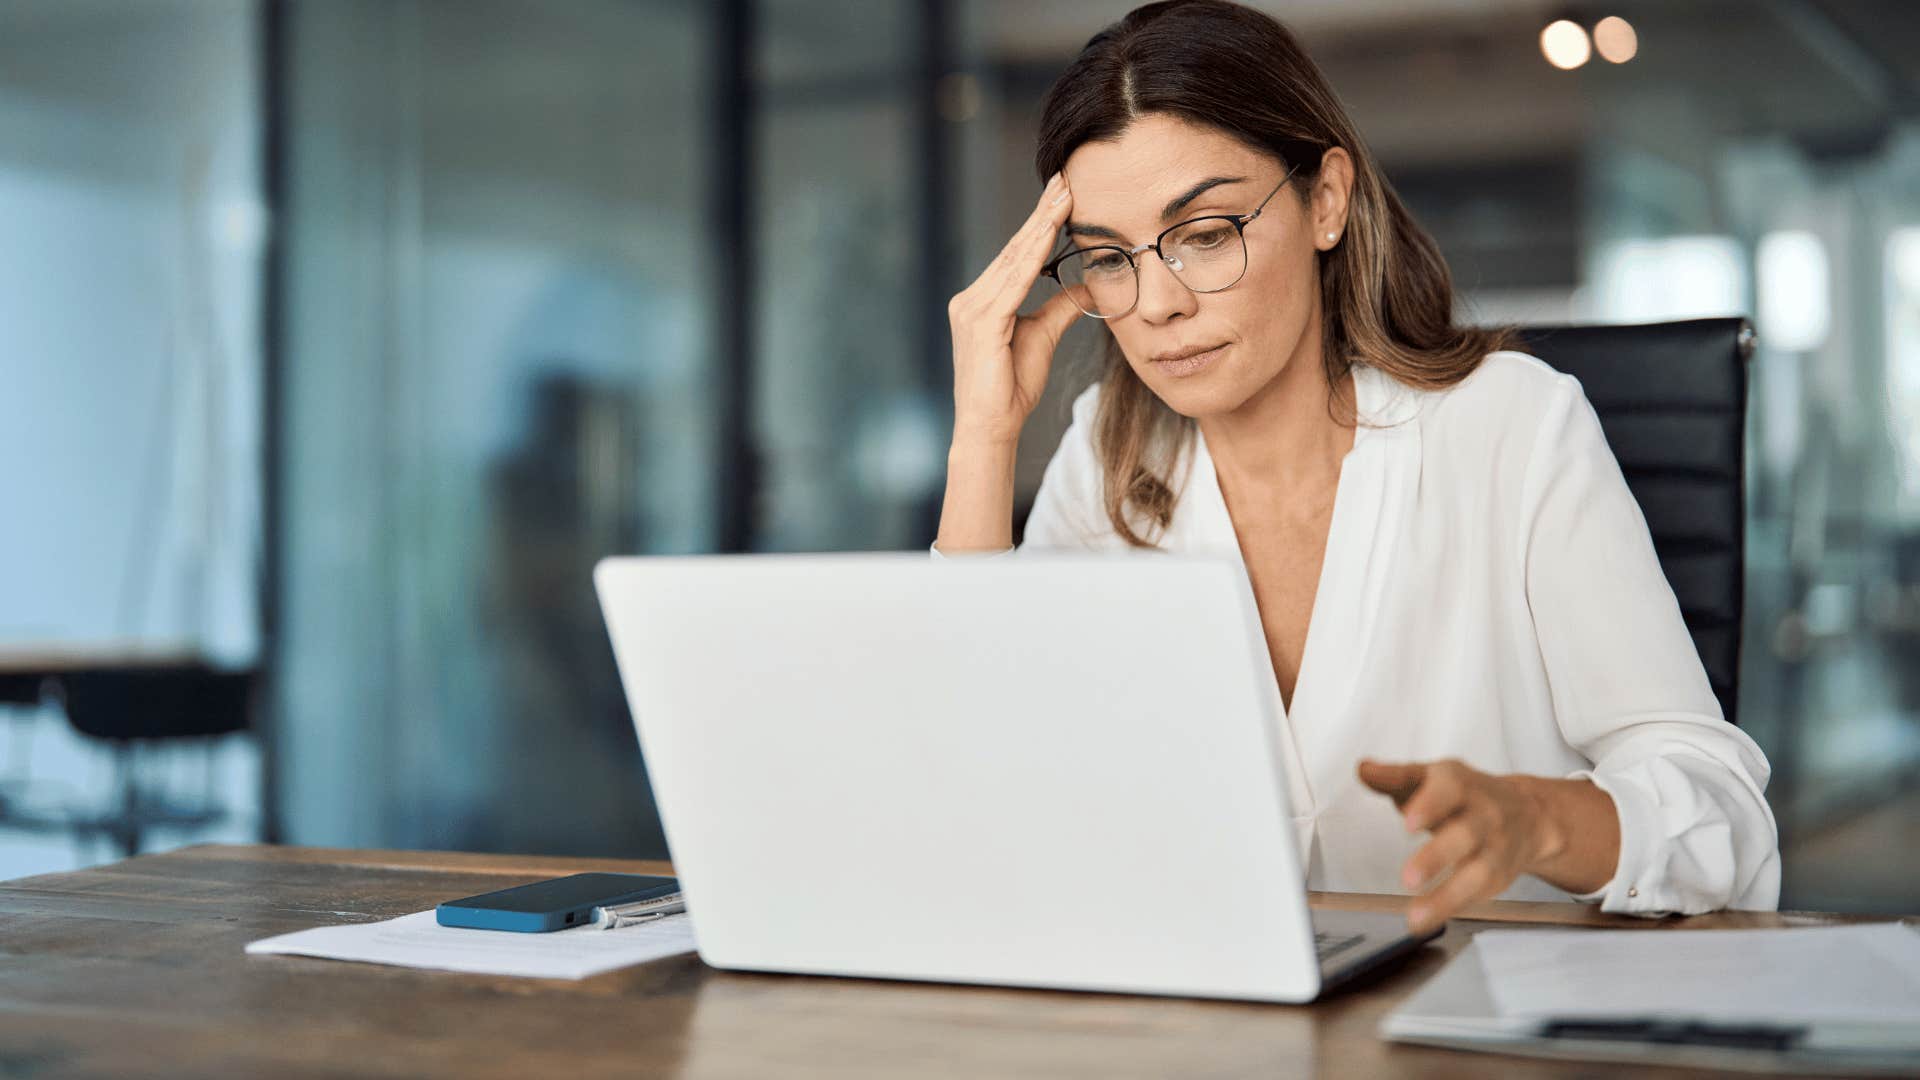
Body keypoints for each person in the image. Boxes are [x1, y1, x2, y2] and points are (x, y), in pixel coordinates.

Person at [933, 0, 1778, 934]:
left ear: (1326, 200)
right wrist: (982, 439)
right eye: (1107, 258)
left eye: (1206, 233)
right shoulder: (1108, 455)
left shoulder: (1511, 426)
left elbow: (1722, 811)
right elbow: (983, 803)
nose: (1157, 304)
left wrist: (1534, 819)